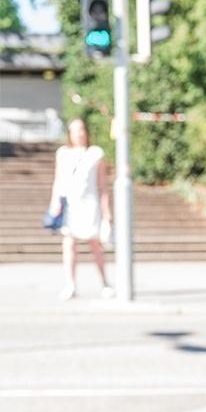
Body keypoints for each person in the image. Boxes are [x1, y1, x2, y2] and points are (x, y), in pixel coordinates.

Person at [48, 117, 114, 300]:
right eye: (75, 130)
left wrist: (106, 211)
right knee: (69, 243)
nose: (79, 133)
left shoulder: (95, 153)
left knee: (95, 244)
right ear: (69, 133)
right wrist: (55, 203)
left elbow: (102, 185)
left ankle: (105, 282)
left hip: (90, 204)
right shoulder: (62, 153)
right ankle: (70, 284)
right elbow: (58, 180)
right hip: (70, 204)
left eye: (81, 129)